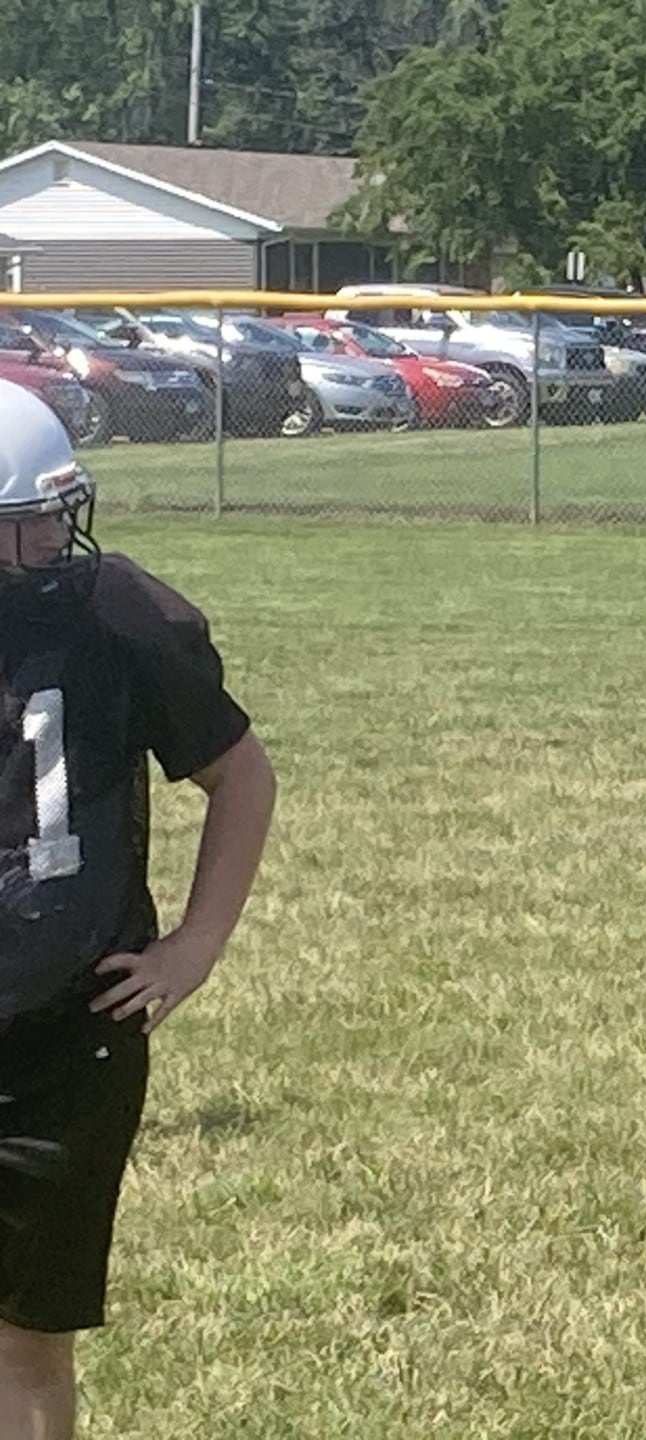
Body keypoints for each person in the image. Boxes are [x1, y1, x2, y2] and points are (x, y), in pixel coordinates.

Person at [0, 380, 276, 1440]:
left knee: (28, 1336)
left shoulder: (111, 611)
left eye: (49, 514)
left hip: (72, 1033)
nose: (49, 540)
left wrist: (196, 945)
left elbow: (241, 779)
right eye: (20, 523)